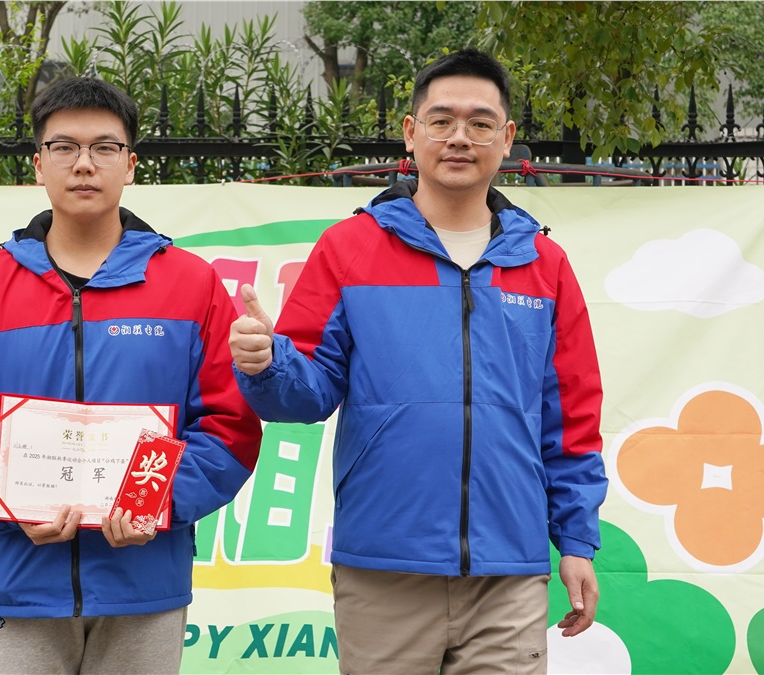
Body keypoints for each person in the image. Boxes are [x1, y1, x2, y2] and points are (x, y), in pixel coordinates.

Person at [229, 48, 606, 674]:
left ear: (507, 138)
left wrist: (576, 540)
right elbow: (307, 393)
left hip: (508, 571)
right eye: (441, 120)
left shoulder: (544, 265)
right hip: (384, 565)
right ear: (411, 132)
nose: (460, 137)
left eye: (480, 123)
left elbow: (570, 419)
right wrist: (268, 363)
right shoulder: (350, 248)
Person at [0, 77, 262, 675]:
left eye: (104, 147)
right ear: (38, 164)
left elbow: (230, 422)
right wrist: (9, 499)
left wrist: (151, 502)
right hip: (15, 582)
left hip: (144, 582)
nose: (84, 164)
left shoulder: (190, 284)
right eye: (64, 147)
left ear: (131, 165)